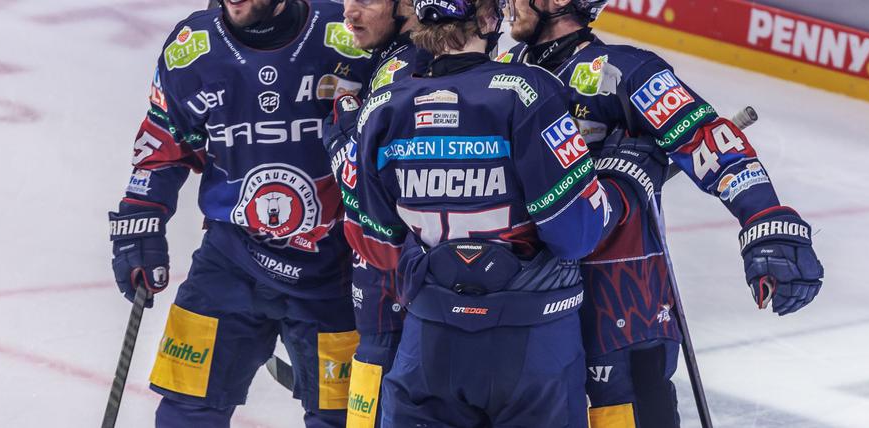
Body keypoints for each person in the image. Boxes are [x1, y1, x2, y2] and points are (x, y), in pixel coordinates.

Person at [499, 1, 825, 426]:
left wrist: (765, 219)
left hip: (621, 301)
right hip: (524, 298)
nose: (507, 5)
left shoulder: (620, 70)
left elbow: (709, 142)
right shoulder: (502, 70)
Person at [345, 0, 628, 425]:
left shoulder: (380, 107)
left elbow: (374, 244)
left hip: (428, 343)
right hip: (533, 343)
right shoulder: (528, 90)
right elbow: (577, 234)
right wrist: (624, 182)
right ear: (489, 19)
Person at [106, 0, 372, 426]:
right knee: (186, 409)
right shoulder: (193, 49)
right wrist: (142, 219)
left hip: (333, 267)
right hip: (231, 259)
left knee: (342, 418)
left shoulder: (347, 37)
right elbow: (166, 138)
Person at [325, 1, 427, 426]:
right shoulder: (399, 58)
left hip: (395, 298)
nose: (349, 12)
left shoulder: (409, 66)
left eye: (367, 0)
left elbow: (361, 187)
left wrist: (341, 128)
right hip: (393, 297)